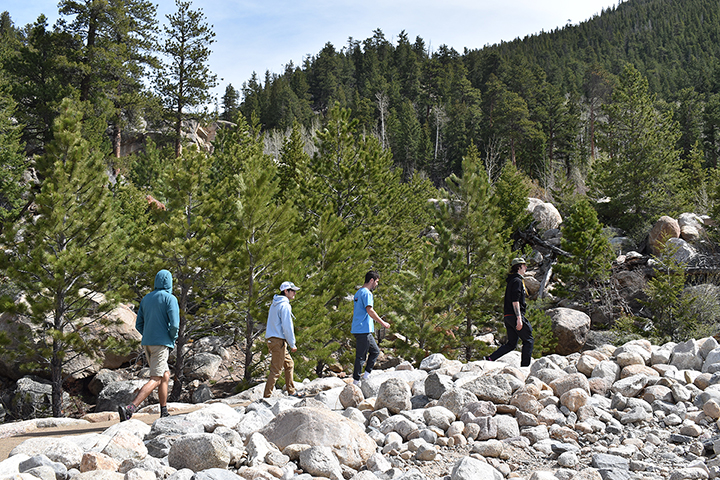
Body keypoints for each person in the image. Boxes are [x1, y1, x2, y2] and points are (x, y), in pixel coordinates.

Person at [119, 269, 179, 421]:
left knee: (165, 375)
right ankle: (130, 409)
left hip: (147, 343)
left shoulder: (146, 299)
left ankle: (164, 411)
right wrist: (172, 337)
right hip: (161, 343)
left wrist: (149, 334)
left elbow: (139, 324)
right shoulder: (170, 299)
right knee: (156, 378)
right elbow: (174, 325)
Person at [487, 258, 535, 367]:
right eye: (524, 265)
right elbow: (515, 300)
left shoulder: (511, 280)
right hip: (514, 316)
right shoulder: (517, 281)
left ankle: (490, 358)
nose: (526, 267)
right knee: (528, 340)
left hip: (508, 317)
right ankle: (525, 367)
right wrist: (519, 318)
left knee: (511, 344)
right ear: (519, 267)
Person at [351, 271, 390, 385]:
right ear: (371, 280)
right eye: (377, 281)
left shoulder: (358, 293)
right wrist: (382, 323)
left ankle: (366, 376)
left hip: (358, 328)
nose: (377, 284)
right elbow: (370, 310)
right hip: (363, 329)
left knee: (375, 351)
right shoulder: (367, 293)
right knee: (361, 356)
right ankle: (356, 381)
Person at [263, 281, 300, 398]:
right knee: (276, 370)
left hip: (272, 339)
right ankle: (267, 397)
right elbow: (287, 326)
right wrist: (292, 344)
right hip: (279, 341)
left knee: (289, 364)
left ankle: (291, 391)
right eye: (292, 290)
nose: (294, 293)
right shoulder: (285, 305)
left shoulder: (274, 304)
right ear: (286, 291)